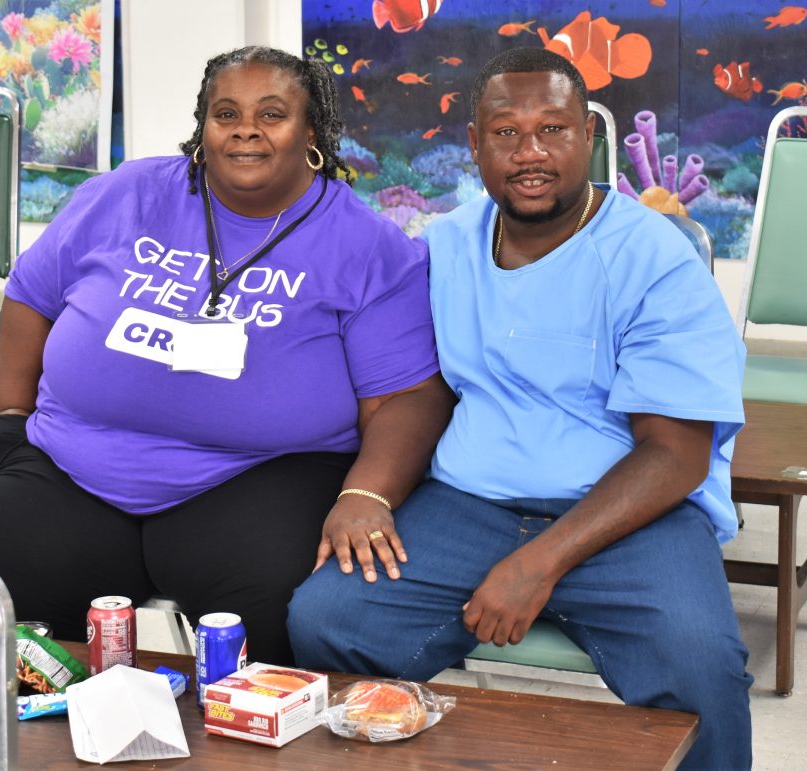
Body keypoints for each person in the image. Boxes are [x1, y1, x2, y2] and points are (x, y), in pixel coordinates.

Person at [288, 47, 752, 768]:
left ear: (588, 138)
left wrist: (539, 560)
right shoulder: (446, 246)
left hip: (631, 511)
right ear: (473, 144)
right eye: (505, 132)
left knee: (701, 662)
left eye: (554, 130)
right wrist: (367, 491)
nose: (530, 152)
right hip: (470, 503)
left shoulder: (654, 258)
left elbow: (677, 453)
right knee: (327, 619)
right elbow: (422, 387)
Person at [0, 45, 454, 666]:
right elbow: (31, 295)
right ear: (203, 126)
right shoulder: (124, 195)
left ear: (311, 132)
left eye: (272, 114)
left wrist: (368, 494)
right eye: (226, 113)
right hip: (74, 462)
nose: (246, 128)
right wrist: (9, 417)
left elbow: (408, 396)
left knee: (281, 622)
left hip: (258, 476)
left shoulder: (366, 245)